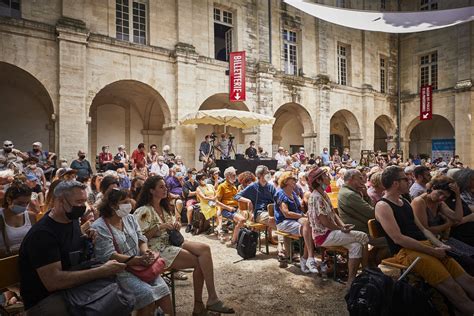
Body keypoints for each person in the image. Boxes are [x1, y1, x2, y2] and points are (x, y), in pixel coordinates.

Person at [375, 166, 474, 315]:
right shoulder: (383, 206)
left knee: (468, 280)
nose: (409, 181)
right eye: (405, 179)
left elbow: (423, 230)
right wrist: (432, 250)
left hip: (426, 247)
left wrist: (440, 245)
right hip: (407, 252)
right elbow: (398, 239)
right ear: (395, 183)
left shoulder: (404, 201)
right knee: (454, 289)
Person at [19, 180, 127, 313]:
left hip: (74, 289)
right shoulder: (43, 234)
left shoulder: (71, 221)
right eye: (78, 202)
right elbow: (54, 281)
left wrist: (85, 240)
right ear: (60, 201)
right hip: (46, 299)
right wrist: (102, 271)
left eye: (84, 201)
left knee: (120, 299)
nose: (83, 207)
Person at [134, 176, 234, 315]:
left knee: (205, 249)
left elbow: (171, 229)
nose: (165, 189)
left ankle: (210, 299)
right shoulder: (144, 210)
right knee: (200, 262)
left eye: (165, 186)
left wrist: (176, 225)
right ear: (151, 190)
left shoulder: (164, 208)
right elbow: (139, 238)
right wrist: (159, 227)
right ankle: (203, 304)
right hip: (157, 250)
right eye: (161, 187)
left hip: (171, 243)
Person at [92, 189, 172, 315]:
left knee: (164, 290)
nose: (129, 204)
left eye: (129, 201)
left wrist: (146, 252)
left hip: (140, 266)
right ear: (113, 205)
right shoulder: (99, 226)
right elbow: (108, 255)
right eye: (124, 202)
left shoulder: (129, 218)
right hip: (119, 271)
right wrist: (136, 260)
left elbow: (141, 238)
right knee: (147, 295)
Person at [306, 167, 369, 285]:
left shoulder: (323, 194)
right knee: (363, 236)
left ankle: (351, 281)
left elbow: (333, 214)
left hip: (331, 232)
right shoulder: (316, 197)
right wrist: (341, 229)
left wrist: (343, 225)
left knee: (356, 246)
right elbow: (324, 222)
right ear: (318, 181)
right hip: (324, 235)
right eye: (325, 176)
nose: (329, 177)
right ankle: (367, 273)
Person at [274, 171, 318, 273]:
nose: (295, 180)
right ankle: (308, 258)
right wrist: (303, 215)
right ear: (286, 181)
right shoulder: (280, 193)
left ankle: (306, 259)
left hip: (295, 219)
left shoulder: (293, 193)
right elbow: (286, 213)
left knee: (312, 224)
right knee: (308, 227)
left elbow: (300, 209)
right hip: (283, 222)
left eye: (295, 179)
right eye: (292, 179)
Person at [0, 181, 36, 257]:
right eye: (20, 203)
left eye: (27, 203)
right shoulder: (1, 217)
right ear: (9, 200)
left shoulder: (30, 216)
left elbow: (35, 239)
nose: (24, 206)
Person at [215, 167, 246, 247]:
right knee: (242, 220)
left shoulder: (234, 186)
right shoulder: (222, 186)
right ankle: (233, 241)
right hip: (226, 210)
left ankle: (240, 239)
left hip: (236, 209)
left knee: (249, 219)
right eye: (234, 175)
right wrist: (228, 208)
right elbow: (216, 202)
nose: (235, 177)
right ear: (228, 176)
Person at [338, 169, 374, 234]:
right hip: (361, 231)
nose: (363, 181)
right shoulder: (349, 194)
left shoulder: (348, 191)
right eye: (360, 178)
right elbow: (372, 213)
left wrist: (365, 195)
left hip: (364, 228)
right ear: (352, 178)